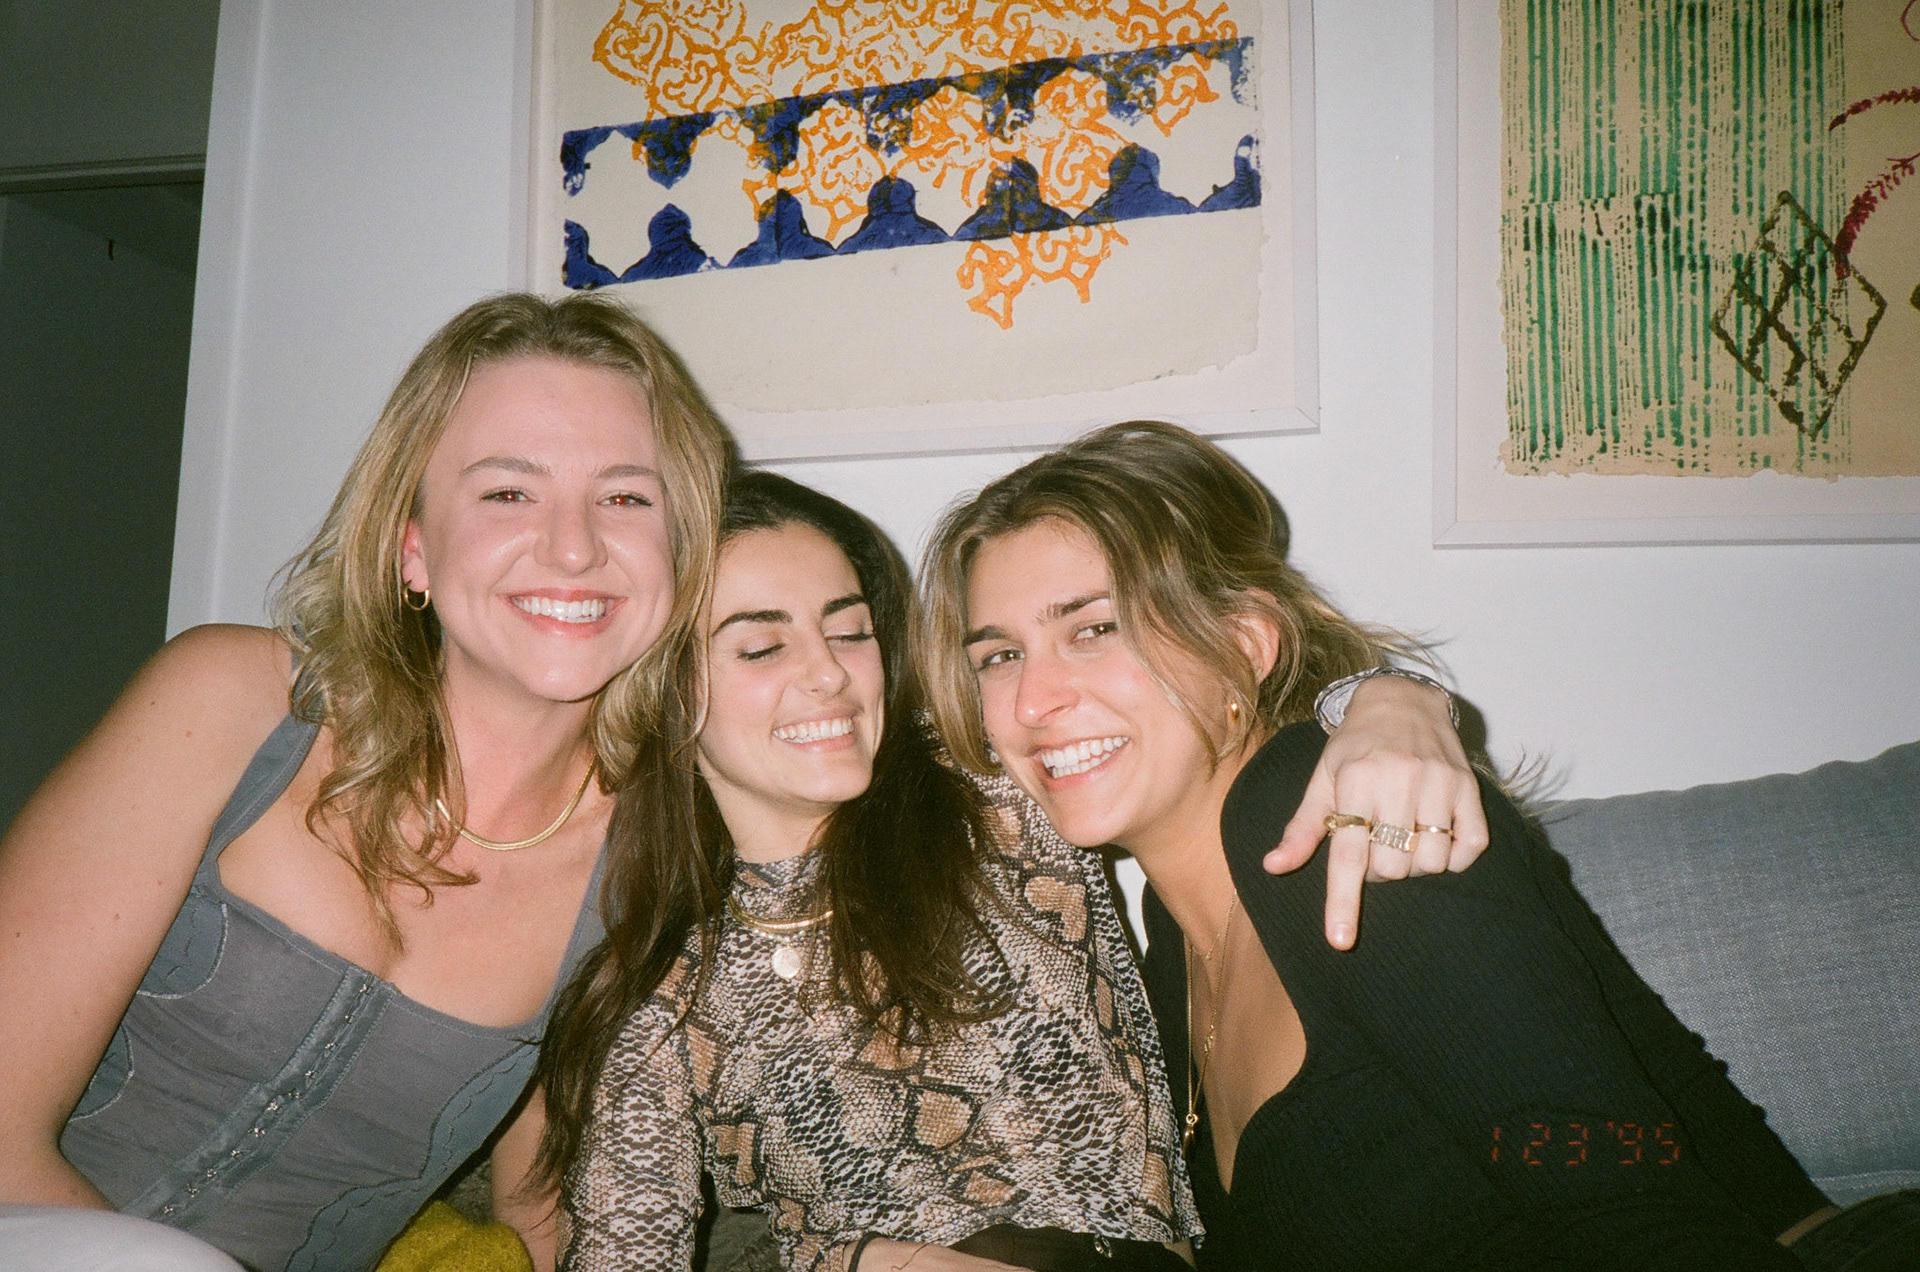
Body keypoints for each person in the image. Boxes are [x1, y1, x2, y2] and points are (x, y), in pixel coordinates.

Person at [918, 420, 1843, 1270]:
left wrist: (1391, 697)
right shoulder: (1169, 933)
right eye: (999, 656)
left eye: (1094, 629)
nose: (1032, 702)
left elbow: (1632, 1204)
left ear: (1244, 645)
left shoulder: (1345, 826)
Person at [540, 471, 1486, 1272]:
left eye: (850, 630)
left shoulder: (999, 801)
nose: (828, 675)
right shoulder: (658, 997)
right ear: (663, 688)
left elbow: (1197, 694)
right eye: (760, 646)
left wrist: (1390, 699)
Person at [0, 292, 731, 1272]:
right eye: (508, 493)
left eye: (628, 498)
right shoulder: (230, 702)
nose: (574, 546)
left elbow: (543, 1208)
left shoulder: (649, 868)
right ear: (411, 545)